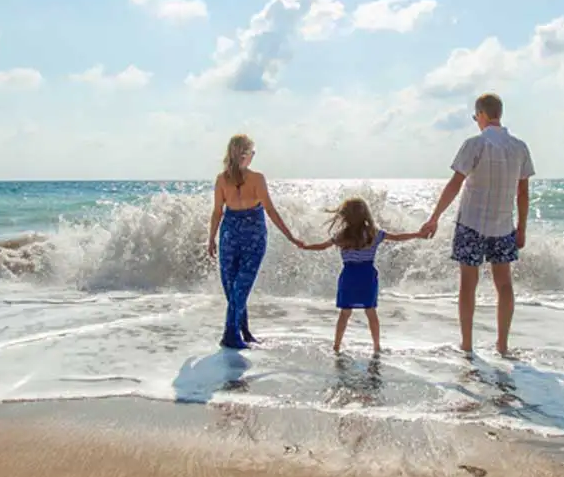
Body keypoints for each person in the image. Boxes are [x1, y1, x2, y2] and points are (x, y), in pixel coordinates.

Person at [419, 93, 535, 356]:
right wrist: (522, 227)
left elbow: (455, 184)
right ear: (499, 114)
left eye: (475, 117)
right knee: (504, 285)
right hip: (504, 225)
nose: (476, 121)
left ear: (481, 114)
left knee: (468, 285)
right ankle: (502, 346)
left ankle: (468, 345)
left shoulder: (475, 144)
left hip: (471, 223)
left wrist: (434, 217)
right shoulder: (519, 147)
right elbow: (523, 193)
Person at [207, 134, 300, 349]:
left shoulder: (224, 179)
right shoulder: (253, 179)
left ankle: (242, 331)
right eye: (252, 152)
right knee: (235, 288)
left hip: (232, 233)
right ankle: (232, 334)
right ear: (245, 155)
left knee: (238, 286)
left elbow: (217, 212)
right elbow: (270, 210)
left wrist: (212, 238)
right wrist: (210, 238)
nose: (253, 156)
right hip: (250, 234)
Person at [299, 197, 425, 354]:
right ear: (366, 214)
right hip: (367, 276)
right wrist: (418, 234)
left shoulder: (341, 235)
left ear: (345, 216)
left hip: (349, 276)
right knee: (371, 311)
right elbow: (398, 237)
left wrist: (305, 247)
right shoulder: (374, 234)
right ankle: (376, 346)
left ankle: (337, 345)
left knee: (345, 313)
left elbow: (322, 246)